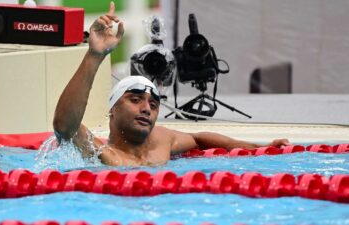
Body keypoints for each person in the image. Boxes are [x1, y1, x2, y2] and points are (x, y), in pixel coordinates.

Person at [53, 2, 290, 166]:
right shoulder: (102, 154)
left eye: (154, 105)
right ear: (112, 110)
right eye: (135, 100)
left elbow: (199, 138)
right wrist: (95, 55)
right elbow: (65, 127)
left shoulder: (161, 141)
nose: (146, 108)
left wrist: (257, 148)